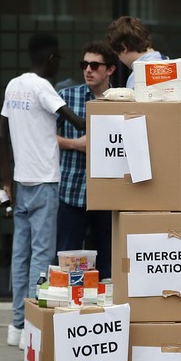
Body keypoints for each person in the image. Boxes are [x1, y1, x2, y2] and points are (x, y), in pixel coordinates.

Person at [0, 34, 86, 349]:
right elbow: (74, 121)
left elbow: (1, 135)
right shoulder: (42, 87)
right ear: (50, 59)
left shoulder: (13, 86)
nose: (60, 63)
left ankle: (17, 325)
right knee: (42, 256)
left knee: (20, 255)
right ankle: (33, 329)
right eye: (59, 58)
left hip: (21, 183)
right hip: (46, 182)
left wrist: (6, 182)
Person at [56, 41, 118, 280]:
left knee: (108, 265)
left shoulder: (122, 101)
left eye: (95, 65)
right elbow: (43, 138)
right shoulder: (66, 97)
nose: (88, 70)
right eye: (84, 64)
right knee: (67, 262)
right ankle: (67, 313)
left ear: (110, 69)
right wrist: (75, 144)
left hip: (108, 195)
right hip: (71, 192)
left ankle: (104, 314)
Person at [106, 15, 167, 88]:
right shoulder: (170, 64)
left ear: (124, 48)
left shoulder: (138, 77)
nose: (119, 59)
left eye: (118, 55)